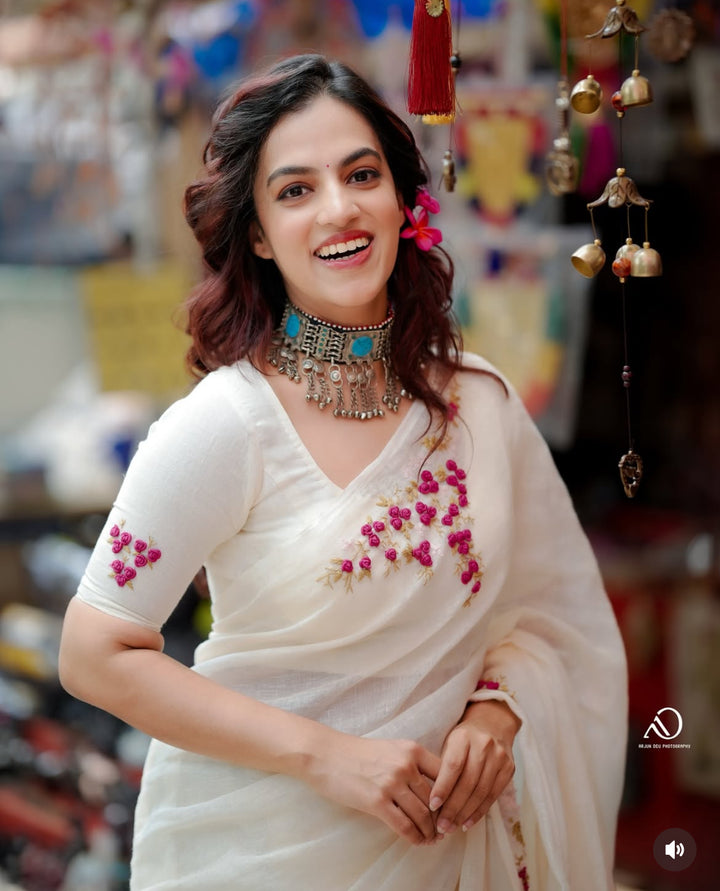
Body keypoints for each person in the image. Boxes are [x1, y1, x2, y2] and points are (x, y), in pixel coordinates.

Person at [59, 53, 627, 891]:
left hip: (454, 853)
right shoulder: (224, 426)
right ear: (257, 233)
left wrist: (498, 710)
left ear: (403, 201)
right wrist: (326, 755)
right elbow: (93, 650)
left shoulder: (481, 406)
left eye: (362, 175)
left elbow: (553, 616)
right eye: (295, 190)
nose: (339, 208)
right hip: (259, 855)